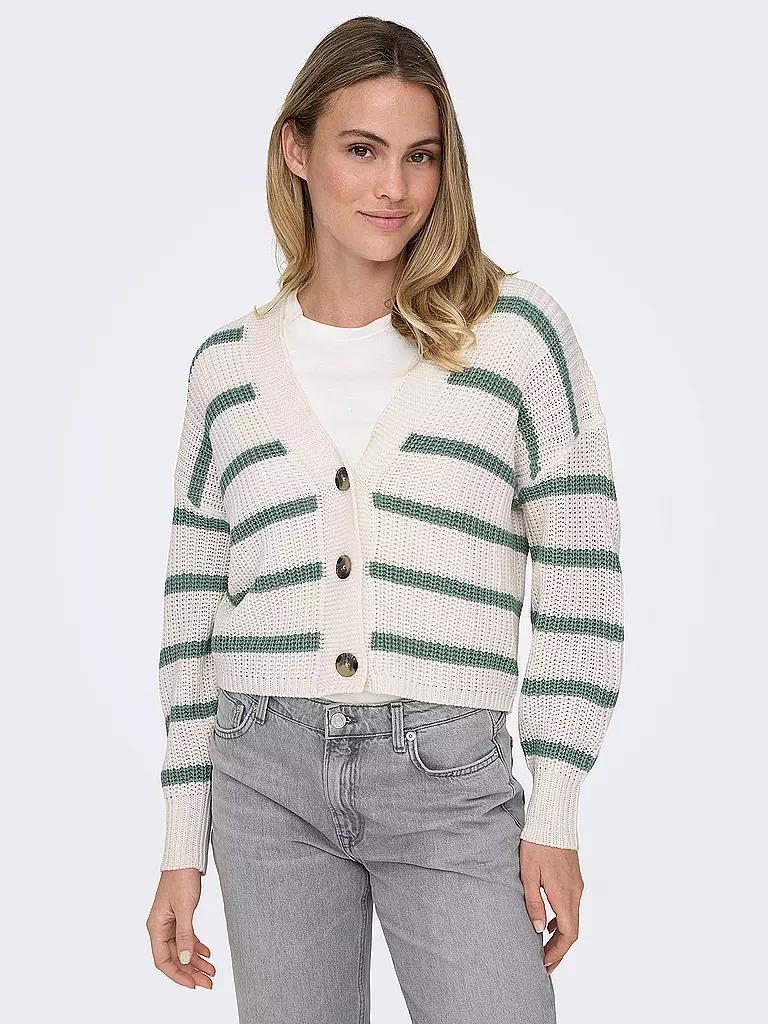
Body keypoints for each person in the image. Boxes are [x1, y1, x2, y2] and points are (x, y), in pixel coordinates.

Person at [145, 15, 624, 1024]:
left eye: (421, 156)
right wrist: (182, 840)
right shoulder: (226, 371)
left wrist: (558, 806)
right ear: (297, 149)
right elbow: (192, 611)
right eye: (361, 150)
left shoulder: (515, 337)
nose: (394, 188)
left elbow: (583, 581)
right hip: (262, 774)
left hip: (449, 776)